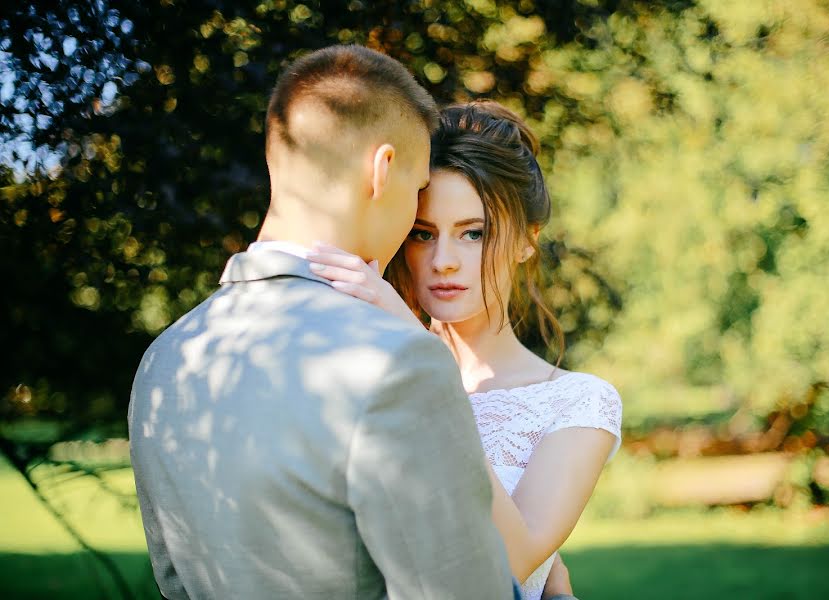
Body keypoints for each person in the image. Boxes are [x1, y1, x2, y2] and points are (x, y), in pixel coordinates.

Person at [128, 46, 523, 599]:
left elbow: (176, 582)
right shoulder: (397, 361)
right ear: (382, 170)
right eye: (416, 192)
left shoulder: (168, 356)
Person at [307, 101, 623, 600]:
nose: (444, 262)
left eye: (473, 233)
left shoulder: (579, 403)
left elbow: (510, 563)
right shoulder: (360, 372)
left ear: (526, 241)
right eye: (423, 234)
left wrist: (421, 360)